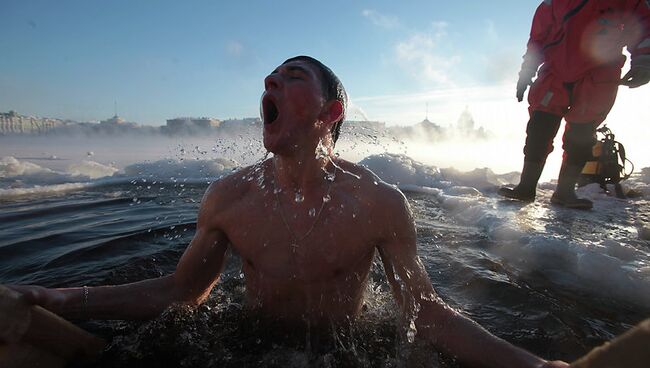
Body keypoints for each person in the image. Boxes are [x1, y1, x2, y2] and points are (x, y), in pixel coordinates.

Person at [8, 56, 567, 367]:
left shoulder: (377, 204)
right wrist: (62, 298)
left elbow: (426, 313)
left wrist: (534, 366)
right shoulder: (231, 198)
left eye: (293, 77)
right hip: (249, 346)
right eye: (272, 78)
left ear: (332, 112)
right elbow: (179, 294)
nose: (270, 82)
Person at [499, 0, 650, 209]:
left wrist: (644, 61)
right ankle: (526, 186)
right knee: (540, 128)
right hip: (555, 73)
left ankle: (565, 192)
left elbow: (643, 25)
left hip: (599, 74)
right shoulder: (551, 4)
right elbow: (537, 40)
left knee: (582, 134)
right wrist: (526, 72)